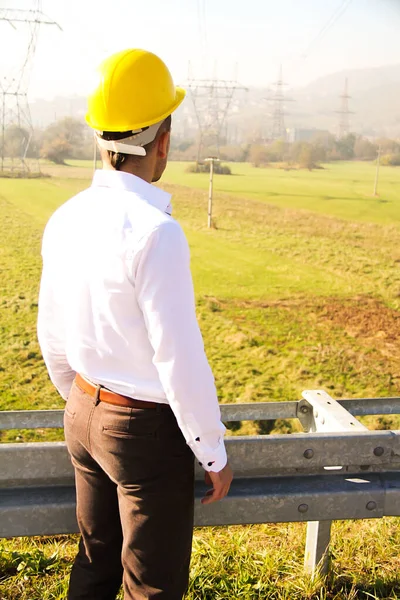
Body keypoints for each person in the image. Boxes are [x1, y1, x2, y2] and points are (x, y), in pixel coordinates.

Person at [37, 48, 233, 600]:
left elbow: (50, 333)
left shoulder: (65, 215)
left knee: (94, 568)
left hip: (82, 408)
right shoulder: (156, 232)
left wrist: (85, 404)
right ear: (163, 140)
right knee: (152, 587)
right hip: (144, 432)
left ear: (98, 137)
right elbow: (179, 358)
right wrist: (212, 451)